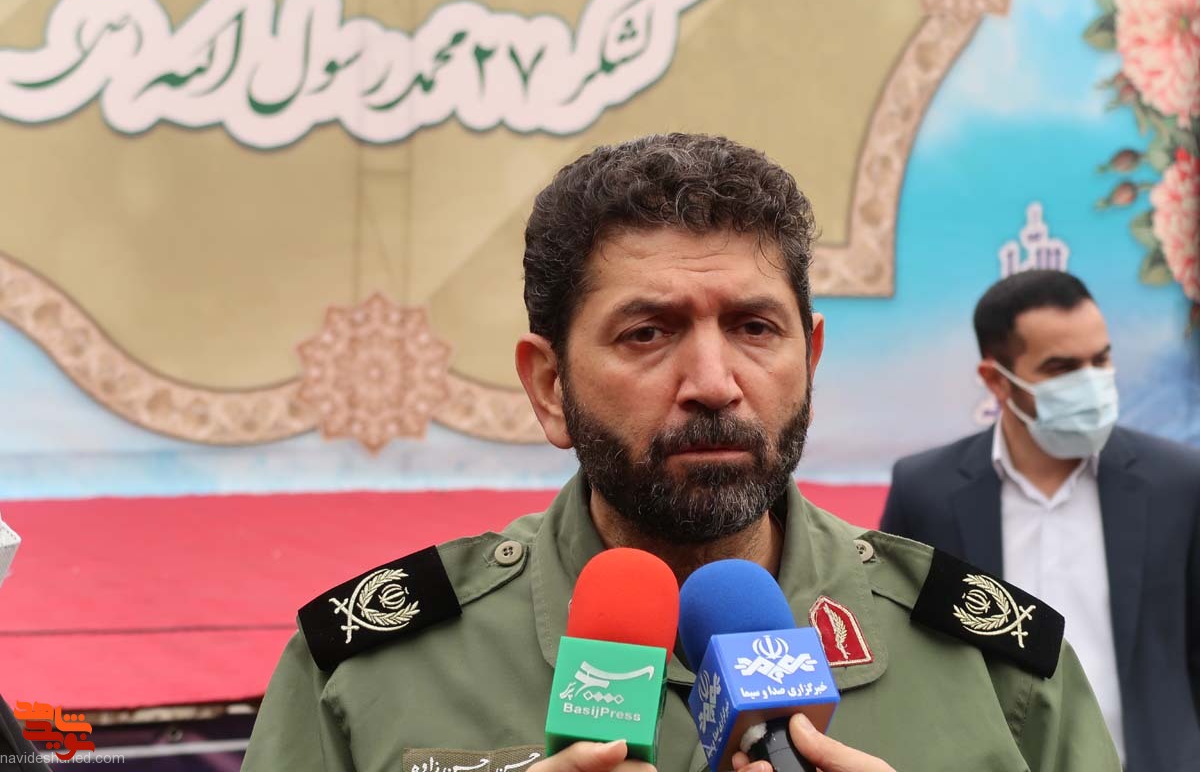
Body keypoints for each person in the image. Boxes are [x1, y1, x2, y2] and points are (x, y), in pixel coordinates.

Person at [242, 135, 1120, 772]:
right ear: (549, 385)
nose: (713, 382)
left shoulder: (991, 667)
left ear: (810, 360)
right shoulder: (366, 674)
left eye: (754, 328)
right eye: (648, 332)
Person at [881, 269, 1200, 771]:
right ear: (996, 381)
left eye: (1101, 359)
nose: (1091, 383)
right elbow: (902, 654)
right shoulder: (927, 491)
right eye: (1062, 368)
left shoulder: (1178, 482)